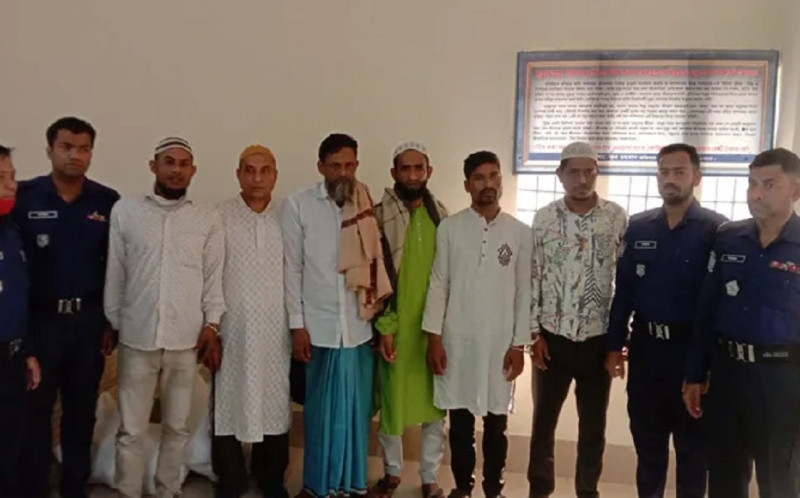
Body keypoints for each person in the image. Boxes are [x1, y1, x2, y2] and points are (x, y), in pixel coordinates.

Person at [104, 136, 225, 498]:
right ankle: (127, 491)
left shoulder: (207, 218)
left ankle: (167, 490)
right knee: (131, 429)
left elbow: (213, 277)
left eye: (184, 164)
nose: (176, 170)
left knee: (177, 427)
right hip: (136, 338)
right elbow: (116, 273)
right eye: (169, 162)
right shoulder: (126, 211)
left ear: (193, 171)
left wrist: (212, 324)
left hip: (185, 340)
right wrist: (115, 322)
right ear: (153, 166)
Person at [606, 143, 727, 498]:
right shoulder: (639, 227)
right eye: (664, 171)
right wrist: (614, 345)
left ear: (696, 177)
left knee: (693, 452)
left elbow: (716, 303)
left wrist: (702, 367)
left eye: (679, 172)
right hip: (646, 352)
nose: (670, 179)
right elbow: (624, 292)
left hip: (691, 353)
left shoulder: (717, 230)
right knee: (648, 447)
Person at [684, 147, 800, 498]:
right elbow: (707, 310)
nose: (756, 193)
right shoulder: (728, 238)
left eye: (769, 184)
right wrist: (695, 373)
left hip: (783, 379)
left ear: (795, 190)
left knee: (779, 479)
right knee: (724, 474)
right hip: (728, 374)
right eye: (752, 183)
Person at [13, 117, 120, 498]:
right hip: (41, 324)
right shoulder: (25, 198)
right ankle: (35, 487)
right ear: (50, 150)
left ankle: (75, 487)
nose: (75, 155)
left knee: (81, 411)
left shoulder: (107, 202)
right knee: (35, 413)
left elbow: (116, 267)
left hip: (88, 324)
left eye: (84, 148)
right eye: (67, 147)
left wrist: (111, 321)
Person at [281, 133, 391, 498]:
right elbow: (291, 270)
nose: (343, 172)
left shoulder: (366, 204)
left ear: (356, 165)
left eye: (349, 165)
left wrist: (379, 323)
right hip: (319, 328)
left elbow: (376, 265)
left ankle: (352, 485)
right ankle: (316, 486)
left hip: (359, 327)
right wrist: (297, 326)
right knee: (320, 414)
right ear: (321, 167)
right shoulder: (299, 206)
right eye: (334, 166)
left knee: (355, 414)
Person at [422, 150, 529, 498]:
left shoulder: (520, 233)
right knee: (460, 422)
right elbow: (439, 283)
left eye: (494, 176)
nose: (488, 184)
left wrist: (519, 345)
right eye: (479, 178)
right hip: (458, 342)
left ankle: (493, 489)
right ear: (467, 185)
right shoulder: (450, 228)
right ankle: (462, 487)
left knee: (497, 423)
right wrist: (434, 339)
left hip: (500, 344)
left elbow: (525, 292)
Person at [528, 142, 627, 498]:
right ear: (560, 174)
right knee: (543, 424)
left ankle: (588, 491)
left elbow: (625, 283)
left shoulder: (615, 217)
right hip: (552, 339)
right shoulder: (544, 218)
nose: (582, 180)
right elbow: (533, 275)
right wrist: (534, 334)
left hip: (598, 341)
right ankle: (540, 491)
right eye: (574, 172)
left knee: (593, 427)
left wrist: (618, 342)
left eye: (590, 172)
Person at [369, 142, 449, 498]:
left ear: (429, 172)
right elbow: (376, 278)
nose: (413, 175)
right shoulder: (378, 217)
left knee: (436, 407)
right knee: (392, 406)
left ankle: (430, 476)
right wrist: (385, 328)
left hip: (434, 331)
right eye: (406, 169)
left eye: (419, 168)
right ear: (394, 173)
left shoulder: (442, 217)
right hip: (396, 329)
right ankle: (392, 474)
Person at [212, 144, 290, 498]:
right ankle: (230, 479)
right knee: (228, 402)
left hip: (276, 332)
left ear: (275, 175)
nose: (257, 178)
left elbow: (297, 272)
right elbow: (211, 274)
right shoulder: (220, 216)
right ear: (238, 174)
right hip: (233, 330)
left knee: (274, 401)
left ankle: (270, 477)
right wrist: (212, 325)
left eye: (265, 170)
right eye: (249, 170)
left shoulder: (288, 215)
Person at [0, 145, 41, 498]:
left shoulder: (13, 232)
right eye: (1, 178)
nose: (12, 185)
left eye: (12, 176)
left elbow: (17, 298)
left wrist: (26, 350)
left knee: (11, 453)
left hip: (11, 361)